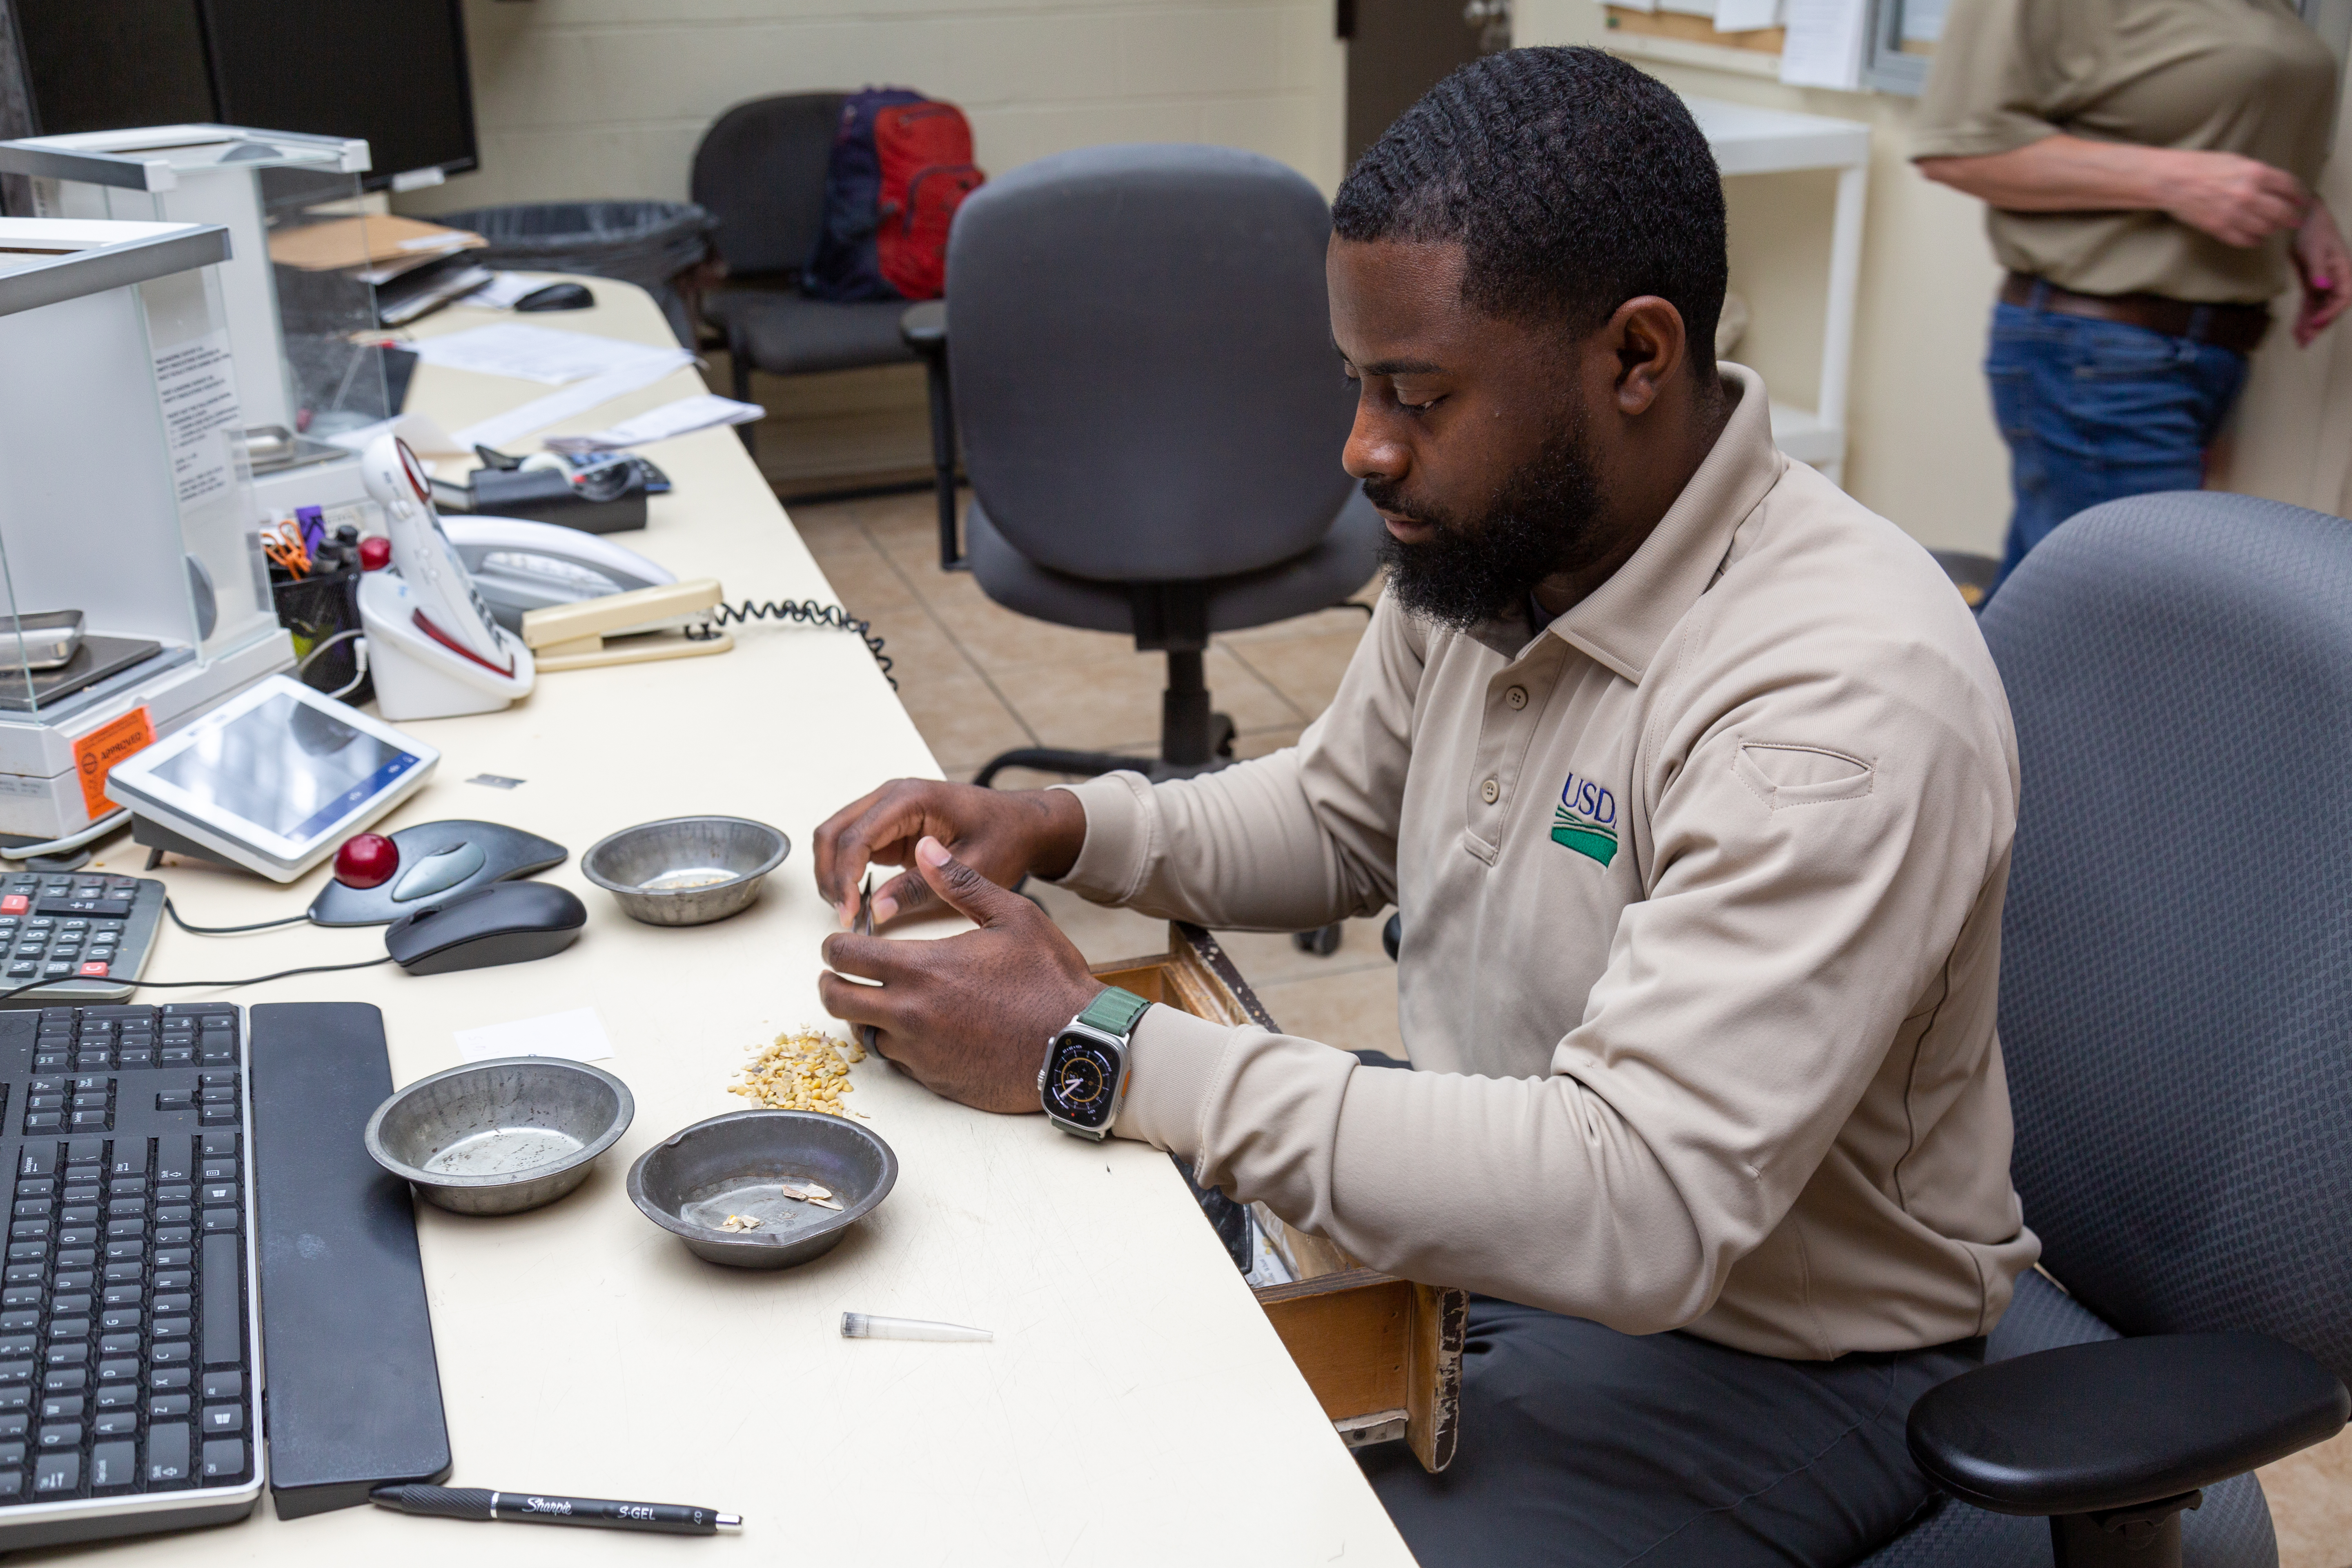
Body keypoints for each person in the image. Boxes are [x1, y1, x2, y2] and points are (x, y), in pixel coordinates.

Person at [813, 47, 2035, 1568]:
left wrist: (1096, 1049)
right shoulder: (1499, 540)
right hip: (1517, 1227)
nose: (1364, 448)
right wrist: (1067, 833)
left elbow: (1638, 1199)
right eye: (1356, 383)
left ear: (1636, 359)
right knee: (1061, 1392)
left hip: (1774, 1357)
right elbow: (1338, 815)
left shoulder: (1838, 697)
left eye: (1418, 394)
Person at [1915, 0, 2349, 587]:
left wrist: (2301, 212)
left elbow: (2211, 110)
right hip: (2101, 357)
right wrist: (2176, 181)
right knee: (2127, 624)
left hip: (2204, 353)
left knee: (2054, 618)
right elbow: (1958, 148)